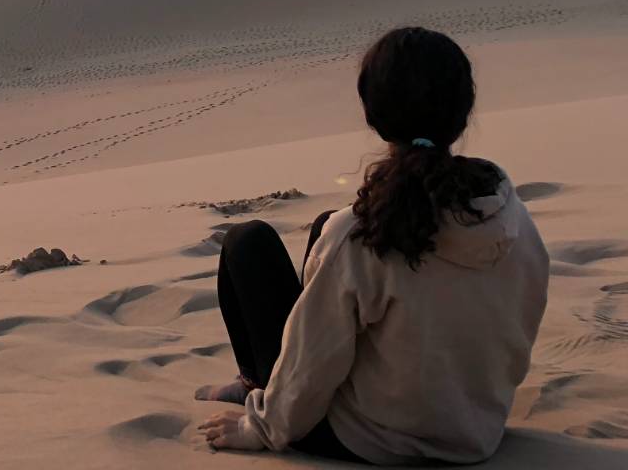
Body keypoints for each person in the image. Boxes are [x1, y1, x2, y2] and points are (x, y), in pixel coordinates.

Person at [195, 27, 549, 463]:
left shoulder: (358, 237)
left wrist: (262, 426)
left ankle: (254, 386)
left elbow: (315, 358)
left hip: (371, 438)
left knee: (247, 241)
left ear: (373, 115)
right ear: (462, 113)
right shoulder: (511, 215)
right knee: (328, 228)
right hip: (475, 428)